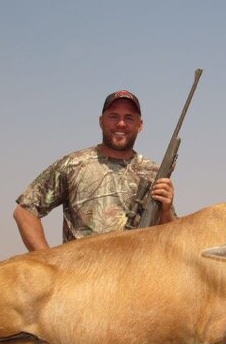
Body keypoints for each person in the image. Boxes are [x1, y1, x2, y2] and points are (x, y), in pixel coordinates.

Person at [13, 90, 176, 251]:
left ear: (139, 125)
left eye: (129, 118)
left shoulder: (154, 173)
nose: (121, 123)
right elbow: (25, 212)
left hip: (133, 273)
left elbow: (171, 236)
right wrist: (48, 264)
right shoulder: (73, 165)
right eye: (114, 116)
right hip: (80, 274)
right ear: (101, 121)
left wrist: (166, 210)